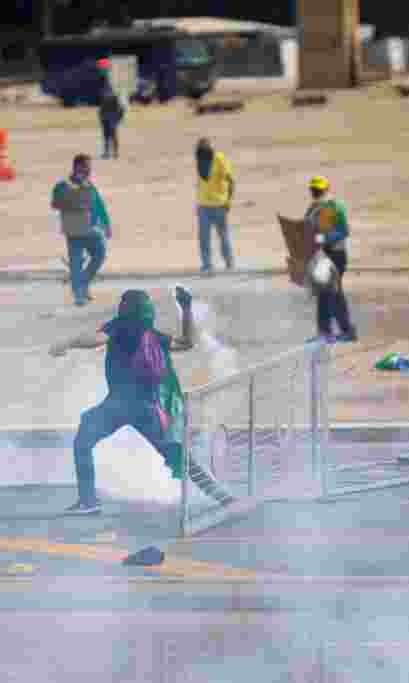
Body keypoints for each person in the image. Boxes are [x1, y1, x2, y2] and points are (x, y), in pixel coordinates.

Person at [50, 286, 236, 515]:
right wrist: (186, 309)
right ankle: (223, 498)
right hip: (149, 409)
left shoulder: (120, 326)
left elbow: (96, 339)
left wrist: (67, 342)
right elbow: (187, 343)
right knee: (180, 457)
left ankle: (88, 501)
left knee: (83, 440)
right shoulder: (153, 335)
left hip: (120, 405)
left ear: (126, 307)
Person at [51, 154, 111, 306]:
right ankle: (79, 294)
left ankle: (82, 285)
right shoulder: (63, 186)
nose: (89, 169)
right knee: (76, 262)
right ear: (77, 167)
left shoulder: (89, 185)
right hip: (74, 229)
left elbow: (98, 205)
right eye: (86, 166)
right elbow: (55, 203)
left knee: (100, 254)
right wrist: (72, 200)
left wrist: (106, 224)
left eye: (89, 166)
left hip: (90, 229)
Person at [305, 175, 357, 343]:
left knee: (334, 293)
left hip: (336, 254)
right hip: (321, 256)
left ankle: (347, 331)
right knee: (323, 293)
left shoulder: (335, 206)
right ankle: (324, 332)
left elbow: (344, 231)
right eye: (313, 190)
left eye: (318, 190)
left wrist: (324, 238)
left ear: (326, 189)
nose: (316, 192)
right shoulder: (312, 208)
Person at [195, 138, 235, 274]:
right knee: (203, 237)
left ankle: (229, 263)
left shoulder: (220, 159)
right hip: (203, 206)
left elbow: (230, 181)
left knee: (223, 236)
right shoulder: (200, 160)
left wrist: (228, 201)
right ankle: (207, 264)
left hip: (219, 205)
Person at [97, 59, 124, 160]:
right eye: (100, 67)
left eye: (102, 67)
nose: (101, 69)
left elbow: (115, 95)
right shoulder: (101, 80)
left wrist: (119, 111)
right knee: (106, 132)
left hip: (112, 108)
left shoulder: (112, 79)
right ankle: (107, 152)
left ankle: (115, 152)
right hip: (105, 109)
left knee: (112, 131)